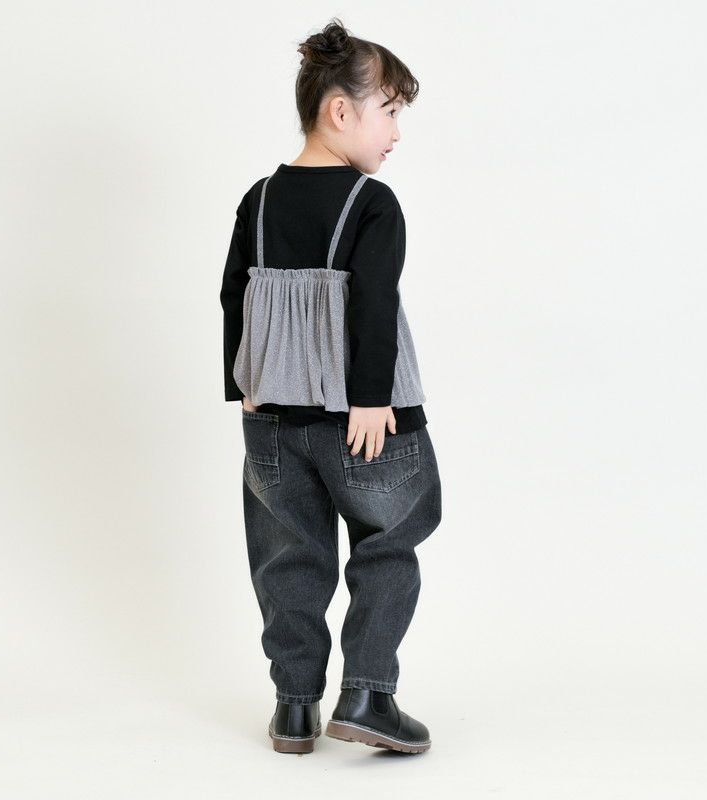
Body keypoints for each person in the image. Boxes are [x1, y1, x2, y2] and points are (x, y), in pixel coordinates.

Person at [220, 18, 442, 755]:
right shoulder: (372, 204)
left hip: (271, 419)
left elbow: (234, 295)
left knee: (288, 555)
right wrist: (371, 397)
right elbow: (372, 302)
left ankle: (294, 708)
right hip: (364, 417)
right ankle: (368, 695)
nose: (397, 133)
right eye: (390, 111)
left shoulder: (258, 200)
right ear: (341, 111)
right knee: (389, 539)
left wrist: (243, 385)